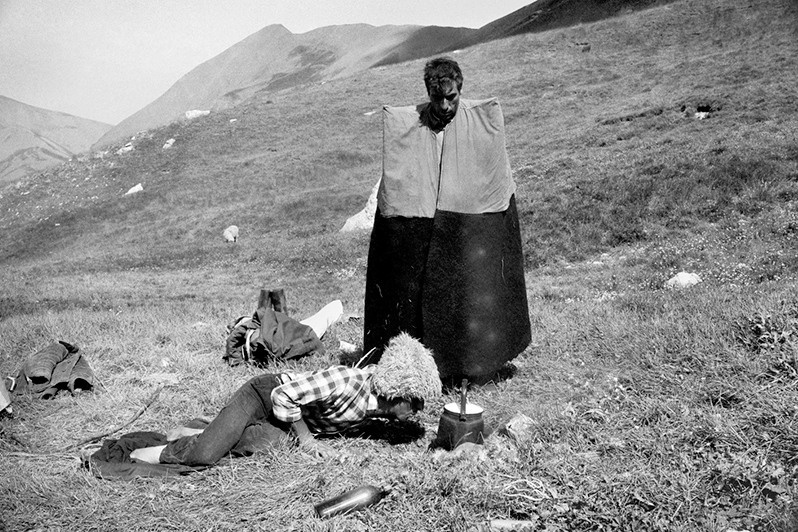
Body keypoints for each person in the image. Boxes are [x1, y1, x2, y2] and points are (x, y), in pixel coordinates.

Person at [364, 57, 531, 387]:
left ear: (460, 91)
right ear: (427, 93)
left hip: (468, 221)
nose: (444, 106)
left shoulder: (481, 122)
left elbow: (494, 174)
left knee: (470, 292)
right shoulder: (410, 125)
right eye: (436, 98)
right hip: (423, 220)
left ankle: (474, 362)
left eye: (451, 97)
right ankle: (419, 366)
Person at [130, 332, 441, 465]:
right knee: (205, 455)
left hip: (290, 418)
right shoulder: (346, 382)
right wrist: (307, 440)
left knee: (261, 444)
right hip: (266, 395)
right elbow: (285, 395)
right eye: (415, 402)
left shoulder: (379, 403)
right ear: (396, 391)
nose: (417, 410)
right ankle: (146, 453)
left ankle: (203, 429)